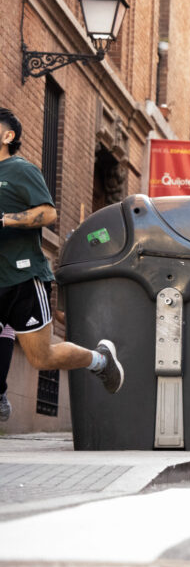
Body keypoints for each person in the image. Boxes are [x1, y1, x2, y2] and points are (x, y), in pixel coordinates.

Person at [0, 108, 124, 413]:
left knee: (42, 357)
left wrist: (5, 220)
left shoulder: (19, 170)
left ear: (7, 136)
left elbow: (48, 213)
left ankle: (100, 360)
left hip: (22, 278)